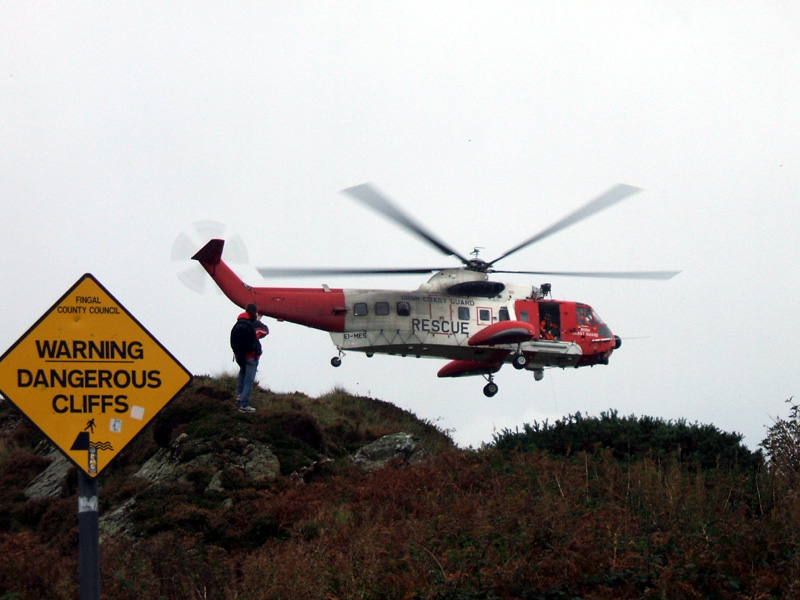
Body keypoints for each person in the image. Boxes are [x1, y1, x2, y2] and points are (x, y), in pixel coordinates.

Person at [231, 303, 269, 413]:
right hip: (252, 356)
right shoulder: (254, 324)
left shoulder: (239, 323)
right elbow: (265, 331)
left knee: (242, 372)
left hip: (239, 355)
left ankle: (239, 394)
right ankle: (244, 404)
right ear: (255, 312)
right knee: (249, 380)